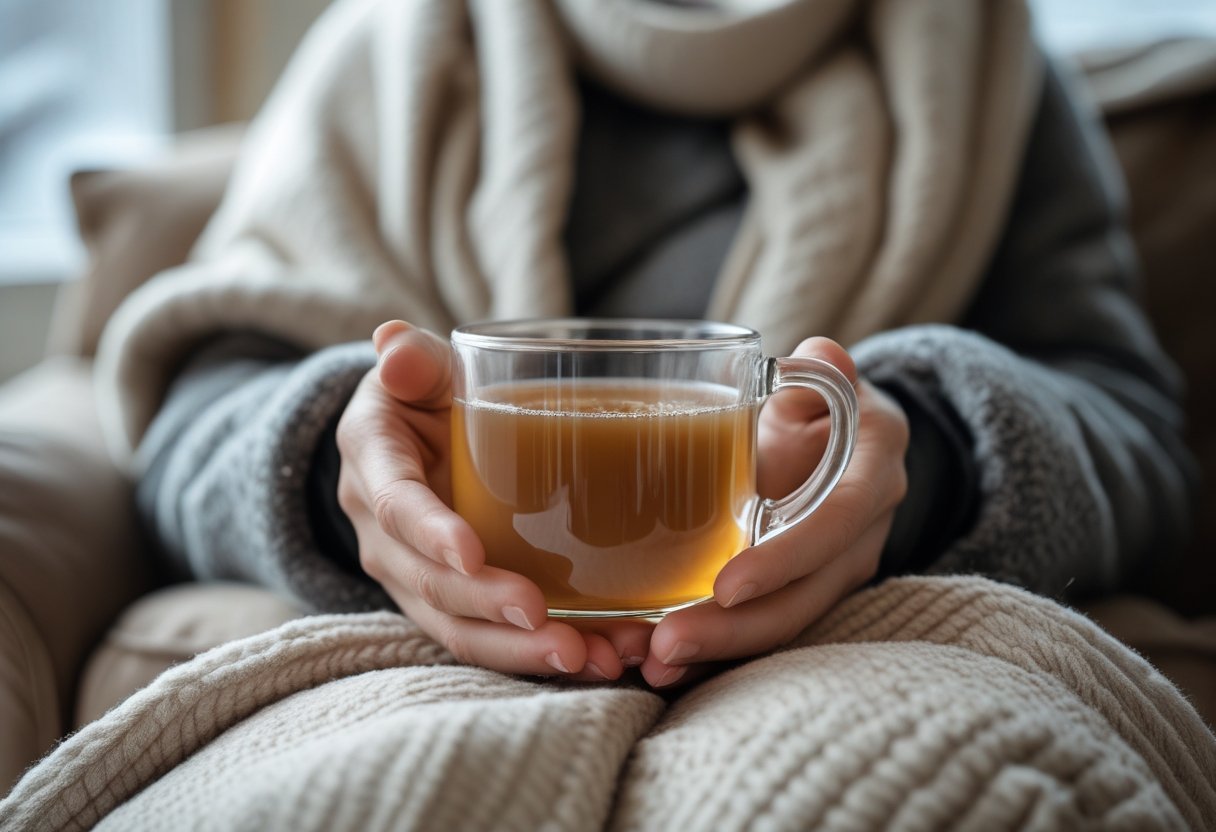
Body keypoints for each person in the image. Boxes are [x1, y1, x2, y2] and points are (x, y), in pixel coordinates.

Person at [110, 0, 1192, 693]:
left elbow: (1134, 429)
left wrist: (922, 465)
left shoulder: (988, 63)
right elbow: (186, 430)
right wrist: (350, 486)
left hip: (849, 671)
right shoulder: (378, 51)